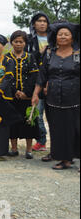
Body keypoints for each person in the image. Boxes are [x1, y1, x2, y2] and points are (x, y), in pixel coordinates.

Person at [32, 21, 80, 170]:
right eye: (60, 34)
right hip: (53, 98)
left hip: (75, 98)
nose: (63, 37)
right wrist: (35, 94)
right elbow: (42, 75)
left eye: (66, 34)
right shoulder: (49, 52)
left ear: (72, 37)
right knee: (58, 129)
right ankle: (64, 159)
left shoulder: (78, 53)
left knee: (77, 129)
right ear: (55, 37)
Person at [7, 30, 39, 159]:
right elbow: (6, 77)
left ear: (25, 43)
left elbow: (34, 76)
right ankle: (14, 149)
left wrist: (25, 92)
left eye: (21, 42)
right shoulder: (7, 58)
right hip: (11, 95)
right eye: (16, 41)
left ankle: (29, 149)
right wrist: (15, 91)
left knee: (29, 121)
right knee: (13, 122)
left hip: (27, 96)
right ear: (12, 42)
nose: (18, 44)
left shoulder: (30, 57)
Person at [27, 12, 50, 152]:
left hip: (53, 79)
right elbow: (28, 58)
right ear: (34, 24)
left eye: (45, 21)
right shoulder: (30, 40)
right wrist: (40, 53)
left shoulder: (54, 38)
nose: (42, 23)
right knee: (38, 113)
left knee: (54, 114)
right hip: (37, 79)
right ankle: (41, 140)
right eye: (39, 21)